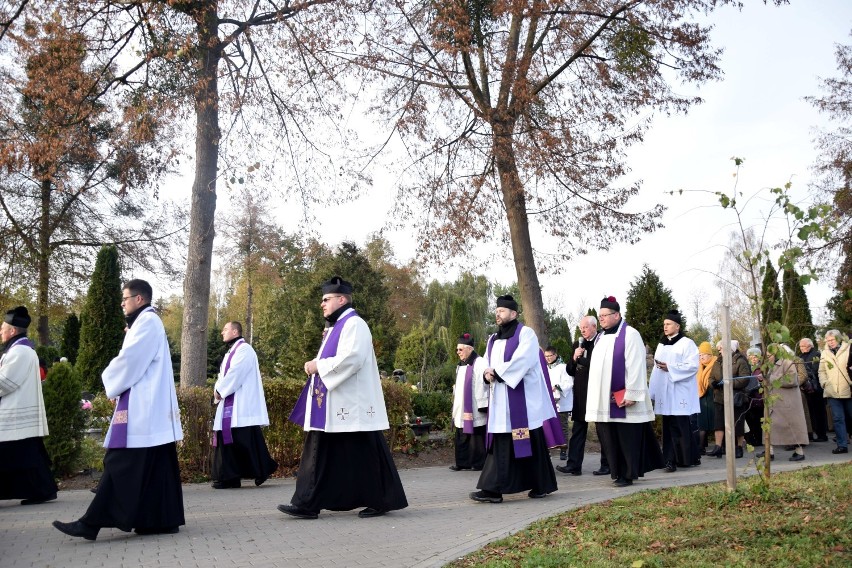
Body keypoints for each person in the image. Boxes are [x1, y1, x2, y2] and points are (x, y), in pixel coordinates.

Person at [54, 280, 184, 540]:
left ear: (139, 299)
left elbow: (130, 360)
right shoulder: (147, 322)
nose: (122, 303)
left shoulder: (146, 322)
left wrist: (110, 382)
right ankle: (160, 519)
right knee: (157, 464)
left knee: (120, 461)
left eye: (125, 298)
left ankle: (91, 523)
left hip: (143, 409)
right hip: (148, 407)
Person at [279, 276, 407, 519]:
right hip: (332, 403)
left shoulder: (354, 324)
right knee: (323, 452)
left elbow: (353, 358)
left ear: (341, 299)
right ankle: (308, 503)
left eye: (326, 299)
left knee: (364, 452)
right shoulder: (336, 326)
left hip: (350, 404)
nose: (322, 304)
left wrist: (319, 366)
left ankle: (381, 499)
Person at [469, 294, 559, 504]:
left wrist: (499, 373)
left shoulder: (526, 334)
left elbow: (524, 360)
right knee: (502, 444)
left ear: (513, 313)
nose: (497, 314)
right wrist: (487, 374)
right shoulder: (493, 339)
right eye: (497, 311)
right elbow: (487, 363)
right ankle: (493, 490)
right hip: (501, 402)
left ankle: (540, 486)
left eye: (501, 311)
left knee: (531, 443)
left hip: (523, 403)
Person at [585, 296, 663, 487]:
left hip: (624, 399)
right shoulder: (601, 338)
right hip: (605, 400)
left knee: (625, 437)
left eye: (605, 315)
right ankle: (616, 471)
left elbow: (636, 365)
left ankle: (627, 474)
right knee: (610, 437)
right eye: (600, 315)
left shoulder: (630, 334)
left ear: (617, 315)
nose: (601, 319)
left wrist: (633, 393)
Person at [0, 306, 59, 506]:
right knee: (27, 459)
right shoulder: (21, 350)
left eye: (2, 328)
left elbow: (5, 383)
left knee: (19, 458)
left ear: (13, 331)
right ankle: (42, 490)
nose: (0, 332)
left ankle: (42, 490)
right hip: (16, 415)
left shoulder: (19, 352)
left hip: (13, 415)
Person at [210, 321, 278, 488]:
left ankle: (261, 469)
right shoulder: (231, 352)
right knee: (232, 440)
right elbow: (223, 375)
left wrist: (220, 390)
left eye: (225, 329)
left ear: (235, 331)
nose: (222, 333)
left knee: (243, 440)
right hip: (231, 404)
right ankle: (230, 477)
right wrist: (218, 388)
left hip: (241, 405)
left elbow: (236, 373)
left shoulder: (244, 350)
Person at [648, 310, 700, 472]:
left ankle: (685, 458)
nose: (665, 327)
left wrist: (670, 367)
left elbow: (692, 366)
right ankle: (669, 458)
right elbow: (657, 369)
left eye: (668, 324)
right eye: (664, 324)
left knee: (680, 426)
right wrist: (653, 391)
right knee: (668, 425)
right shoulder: (662, 344)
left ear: (677, 326)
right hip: (665, 391)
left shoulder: (687, 343)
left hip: (679, 391)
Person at [558, 315, 610, 476]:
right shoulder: (577, 345)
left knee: (603, 430)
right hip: (581, 393)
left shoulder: (602, 343)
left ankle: (607, 464)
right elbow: (569, 370)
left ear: (594, 327)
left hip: (598, 391)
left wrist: (584, 361)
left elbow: (602, 366)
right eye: (581, 328)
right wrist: (574, 358)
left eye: (585, 327)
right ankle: (574, 465)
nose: (582, 330)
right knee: (578, 430)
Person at [758, 345, 809, 461]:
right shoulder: (774, 365)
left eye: (769, 355)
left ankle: (799, 452)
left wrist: (769, 378)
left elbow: (792, 380)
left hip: (787, 402)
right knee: (770, 426)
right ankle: (769, 451)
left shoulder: (787, 362)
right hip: (777, 402)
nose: (768, 357)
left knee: (793, 428)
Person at [449, 333, 489, 471]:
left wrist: (483, 404)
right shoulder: (460, 365)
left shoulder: (480, 362)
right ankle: (462, 462)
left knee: (475, 436)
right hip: (461, 406)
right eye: (457, 350)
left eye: (460, 349)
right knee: (461, 433)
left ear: (469, 348)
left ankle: (478, 463)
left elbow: (484, 383)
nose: (457, 352)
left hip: (475, 406)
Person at [707, 340, 751, 458]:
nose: (719, 350)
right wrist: (714, 384)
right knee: (719, 423)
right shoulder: (718, 361)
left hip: (736, 397)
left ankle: (739, 447)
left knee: (738, 423)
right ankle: (718, 447)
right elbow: (710, 377)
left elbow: (745, 379)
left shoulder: (740, 361)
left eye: (721, 347)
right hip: (720, 397)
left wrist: (727, 383)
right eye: (719, 348)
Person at [819, 330, 851, 455]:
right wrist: (825, 383)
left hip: (848, 388)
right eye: (828, 340)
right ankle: (842, 445)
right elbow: (822, 371)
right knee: (838, 419)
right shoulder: (824, 353)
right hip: (832, 391)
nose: (830, 343)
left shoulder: (848, 349)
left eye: (832, 340)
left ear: (838, 339)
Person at [545, 345, 573, 462]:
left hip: (561, 402)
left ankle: (563, 450)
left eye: (550, 356)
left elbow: (569, 383)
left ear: (555, 355)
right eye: (546, 356)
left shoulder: (563, 367)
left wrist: (557, 387)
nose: (548, 358)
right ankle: (548, 451)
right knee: (548, 427)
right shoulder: (545, 368)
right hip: (548, 402)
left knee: (563, 427)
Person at [799, 338, 828, 442]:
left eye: (804, 346)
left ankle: (822, 434)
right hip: (807, 389)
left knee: (819, 411)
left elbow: (816, 370)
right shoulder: (801, 356)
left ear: (810, 346)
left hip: (816, 388)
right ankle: (813, 432)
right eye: (801, 347)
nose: (802, 348)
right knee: (810, 412)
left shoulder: (816, 355)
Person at [696, 342, 717, 454]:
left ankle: (720, 446)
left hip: (713, 395)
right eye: (700, 355)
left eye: (704, 354)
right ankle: (701, 446)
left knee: (715, 422)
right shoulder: (698, 366)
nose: (701, 357)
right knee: (702, 423)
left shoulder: (716, 363)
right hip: (701, 397)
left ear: (710, 354)